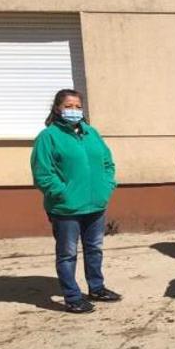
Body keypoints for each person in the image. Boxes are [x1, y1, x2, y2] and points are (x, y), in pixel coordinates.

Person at [30, 89, 122, 313]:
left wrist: (107, 186)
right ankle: (72, 297)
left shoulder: (92, 133)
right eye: (68, 106)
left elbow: (108, 163)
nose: (73, 111)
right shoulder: (48, 137)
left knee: (94, 249)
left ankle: (97, 288)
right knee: (67, 254)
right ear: (58, 109)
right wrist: (62, 193)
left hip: (95, 205)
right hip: (66, 209)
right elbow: (43, 173)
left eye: (77, 106)